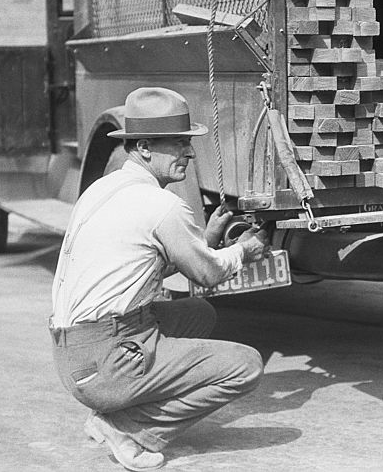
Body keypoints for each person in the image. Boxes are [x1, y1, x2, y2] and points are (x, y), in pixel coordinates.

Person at [49, 87, 270, 471]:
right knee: (246, 365)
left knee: (198, 314)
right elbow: (207, 273)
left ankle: (125, 402)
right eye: (180, 143)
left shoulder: (103, 189)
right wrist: (245, 251)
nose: (189, 152)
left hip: (74, 352)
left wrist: (208, 240)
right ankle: (129, 428)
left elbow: (145, 262)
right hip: (106, 359)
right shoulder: (161, 204)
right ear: (146, 147)